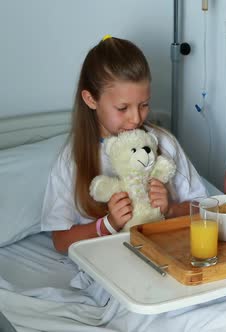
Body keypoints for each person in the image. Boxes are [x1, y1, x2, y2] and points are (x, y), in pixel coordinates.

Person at [41, 36, 208, 254]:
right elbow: (61, 241)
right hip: (111, 264)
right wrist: (107, 224)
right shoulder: (72, 158)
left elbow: (204, 208)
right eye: (122, 108)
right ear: (91, 99)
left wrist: (171, 209)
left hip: (169, 253)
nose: (136, 119)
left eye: (144, 105)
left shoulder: (163, 143)